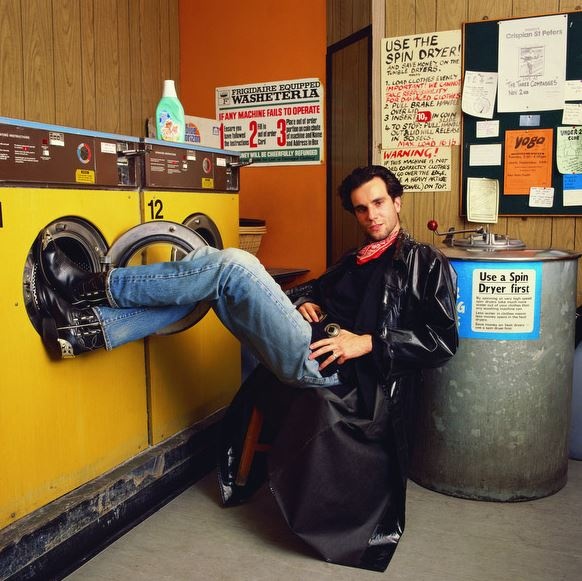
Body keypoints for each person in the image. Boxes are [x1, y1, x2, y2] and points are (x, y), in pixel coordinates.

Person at [35, 165, 458, 571]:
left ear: (398, 202)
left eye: (379, 203)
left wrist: (366, 342)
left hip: (338, 373)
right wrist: (304, 301)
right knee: (208, 286)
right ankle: (89, 330)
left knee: (233, 265)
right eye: (362, 208)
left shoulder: (426, 262)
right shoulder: (356, 258)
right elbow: (316, 291)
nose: (371, 215)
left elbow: (441, 339)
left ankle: (92, 286)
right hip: (304, 342)